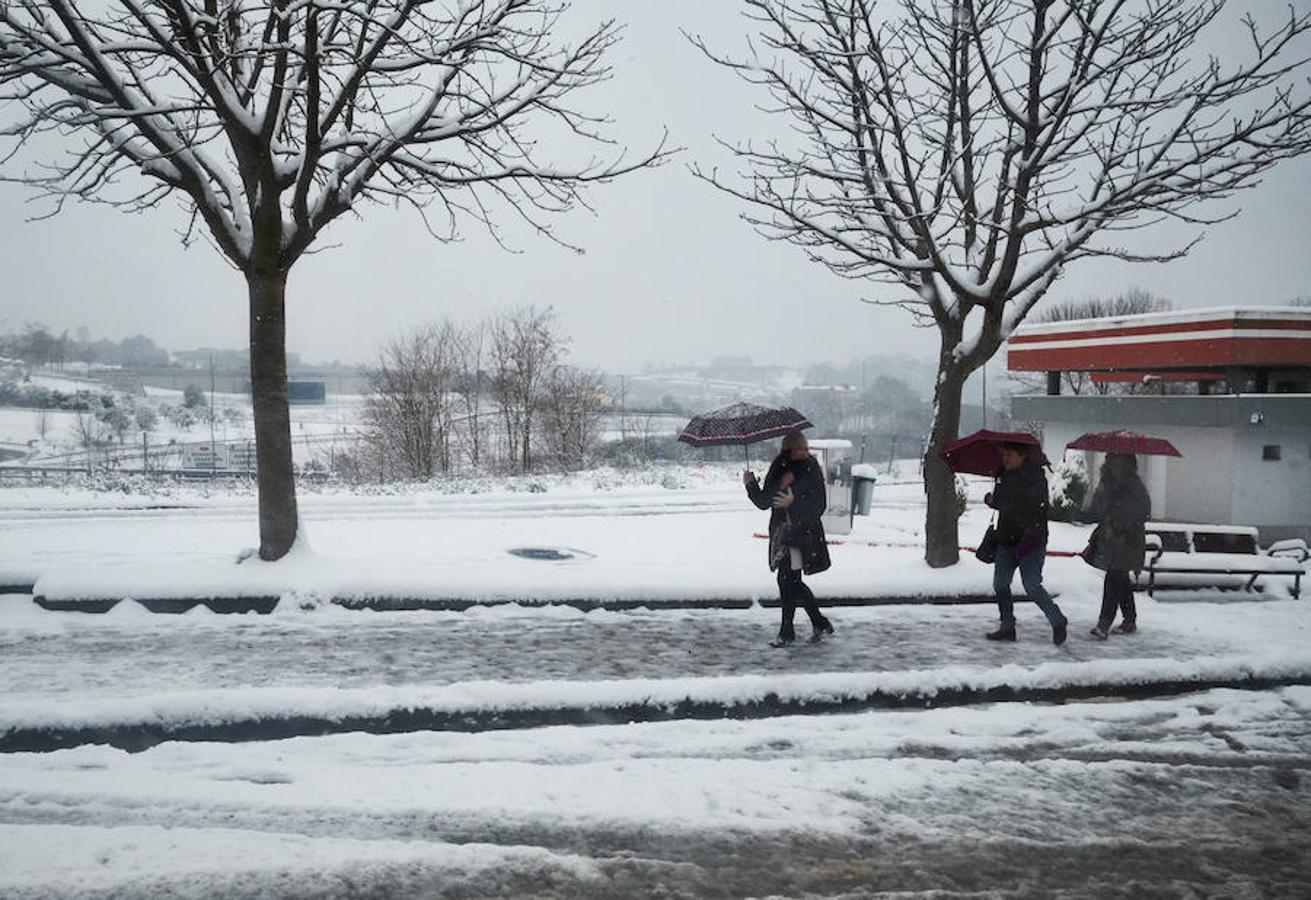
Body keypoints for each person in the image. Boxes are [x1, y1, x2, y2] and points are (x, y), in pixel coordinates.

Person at [744, 431, 833, 647]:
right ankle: (818, 622)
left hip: (802, 534)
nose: (804, 452)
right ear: (787, 450)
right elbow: (765, 502)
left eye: (805, 448)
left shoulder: (812, 469)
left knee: (788, 581)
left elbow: (819, 505)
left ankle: (788, 632)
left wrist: (793, 502)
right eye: (798, 449)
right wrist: (750, 484)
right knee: (790, 581)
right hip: (781, 534)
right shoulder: (778, 469)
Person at [984, 442, 1068, 645]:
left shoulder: (1035, 478)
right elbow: (1005, 503)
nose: (1005, 459)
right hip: (1006, 538)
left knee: (1031, 585)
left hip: (1030, 541)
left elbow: (1037, 511)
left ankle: (1057, 620)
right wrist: (993, 501)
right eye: (1004, 454)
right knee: (1000, 584)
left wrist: (1028, 538)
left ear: (1022, 456)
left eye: (1010, 455)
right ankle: (1007, 626)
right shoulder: (1002, 475)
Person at [1086, 453, 1151, 640]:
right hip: (1110, 540)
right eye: (1111, 461)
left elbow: (1143, 513)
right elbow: (1096, 509)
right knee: (1120, 579)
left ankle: (1103, 624)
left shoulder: (1134, 487)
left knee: (1114, 577)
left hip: (1128, 542)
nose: (1113, 465)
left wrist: (1121, 525)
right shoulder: (1106, 484)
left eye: (1118, 461)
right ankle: (1129, 619)